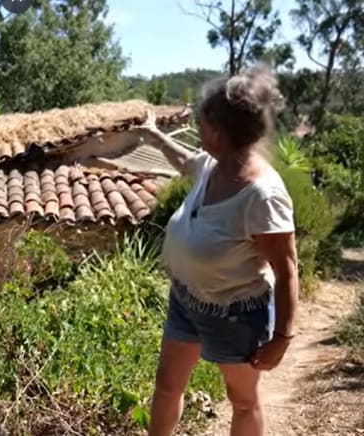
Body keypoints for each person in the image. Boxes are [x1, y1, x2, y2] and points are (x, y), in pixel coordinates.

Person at [136, 65, 300, 436]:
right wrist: (154, 136)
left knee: (241, 400)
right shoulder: (213, 164)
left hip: (236, 313)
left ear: (219, 134)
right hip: (186, 298)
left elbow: (287, 268)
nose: (197, 125)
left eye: (202, 121)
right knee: (166, 386)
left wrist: (282, 339)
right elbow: (183, 162)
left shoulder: (262, 195)